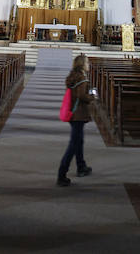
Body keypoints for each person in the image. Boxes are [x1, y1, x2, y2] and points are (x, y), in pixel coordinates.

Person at [57, 54, 94, 186]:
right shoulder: (82, 78)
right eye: (87, 63)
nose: (88, 65)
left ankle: (81, 166)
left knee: (79, 141)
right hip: (78, 114)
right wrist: (92, 97)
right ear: (82, 64)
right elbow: (81, 95)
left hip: (74, 112)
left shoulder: (73, 76)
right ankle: (62, 174)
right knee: (73, 144)